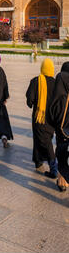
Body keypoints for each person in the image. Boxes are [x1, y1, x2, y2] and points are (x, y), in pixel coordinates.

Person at [26, 59, 57, 178]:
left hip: (39, 118)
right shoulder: (56, 83)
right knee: (45, 138)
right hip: (52, 119)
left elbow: (30, 100)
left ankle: (54, 168)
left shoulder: (35, 81)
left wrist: (33, 103)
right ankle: (38, 161)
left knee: (45, 141)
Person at [48, 62, 69, 192]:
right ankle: (62, 181)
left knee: (61, 156)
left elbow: (53, 111)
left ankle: (63, 182)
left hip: (63, 131)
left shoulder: (61, 82)